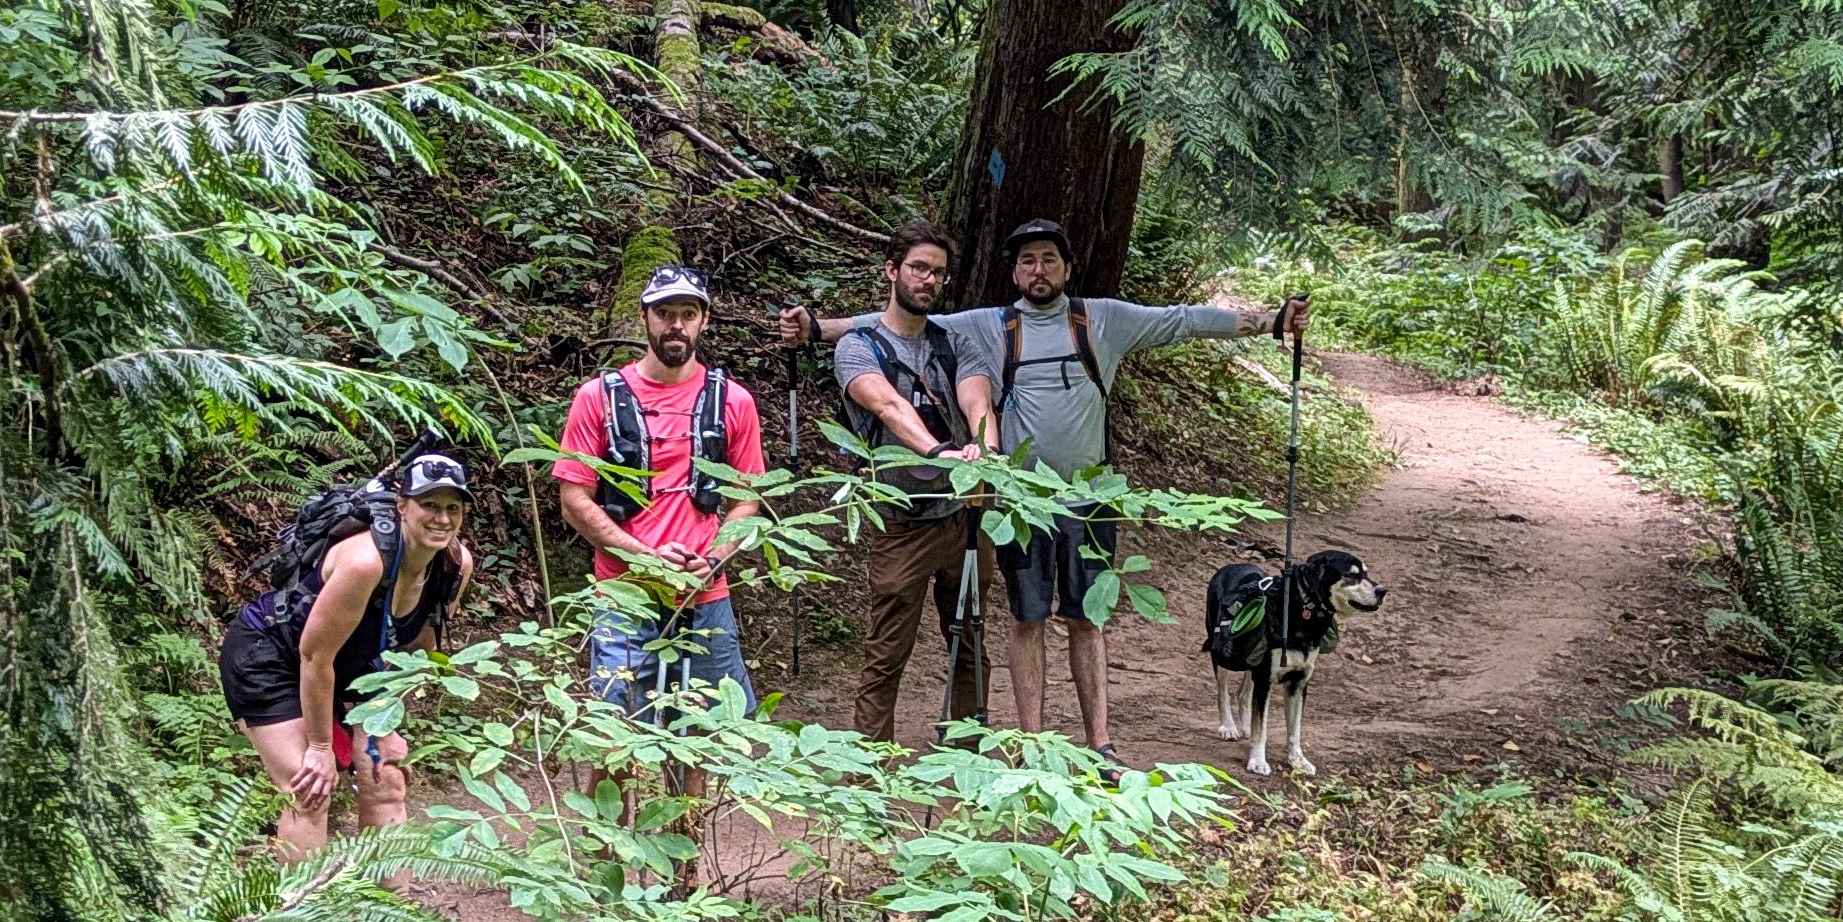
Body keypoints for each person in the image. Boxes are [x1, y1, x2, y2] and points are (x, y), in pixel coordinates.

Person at [945, 220, 1306, 759]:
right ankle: (1031, 744)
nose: (1037, 270)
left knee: (1087, 621)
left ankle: (1099, 744)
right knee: (1026, 619)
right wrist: (817, 329)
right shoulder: (988, 325)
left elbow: (1182, 321)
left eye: (1048, 259)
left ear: (1067, 268)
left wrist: (1270, 321)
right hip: (1021, 505)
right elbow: (903, 323)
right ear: (1014, 271)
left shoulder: (1102, 319)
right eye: (1026, 261)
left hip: (1092, 501)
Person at [553, 265, 767, 779]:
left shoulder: (732, 401)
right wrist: (647, 559)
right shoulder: (598, 397)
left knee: (706, 733)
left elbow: (747, 499)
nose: (676, 325)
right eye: (665, 313)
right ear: (644, 318)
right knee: (613, 732)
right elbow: (573, 498)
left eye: (687, 314)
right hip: (623, 593)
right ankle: (606, 854)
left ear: (704, 320)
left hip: (705, 590)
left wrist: (712, 559)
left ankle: (684, 857)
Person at [224, 447, 476, 859]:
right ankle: (303, 919)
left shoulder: (453, 565)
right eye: (429, 505)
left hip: (355, 663)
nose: (442, 518)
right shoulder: (365, 563)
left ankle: (391, 914)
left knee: (387, 779)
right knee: (308, 788)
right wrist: (322, 749)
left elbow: (416, 652)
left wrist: (385, 725)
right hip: (271, 656)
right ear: (402, 506)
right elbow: (314, 658)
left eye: (453, 507)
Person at [811, 223, 999, 744]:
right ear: (892, 271)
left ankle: (968, 747)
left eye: (938, 272)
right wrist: (938, 452)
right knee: (888, 644)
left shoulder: (955, 343)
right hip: (903, 520)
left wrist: (984, 453)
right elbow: (886, 404)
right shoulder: (858, 347)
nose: (929, 280)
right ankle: (870, 758)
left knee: (970, 636)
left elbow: (977, 399)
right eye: (919, 268)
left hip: (966, 513)